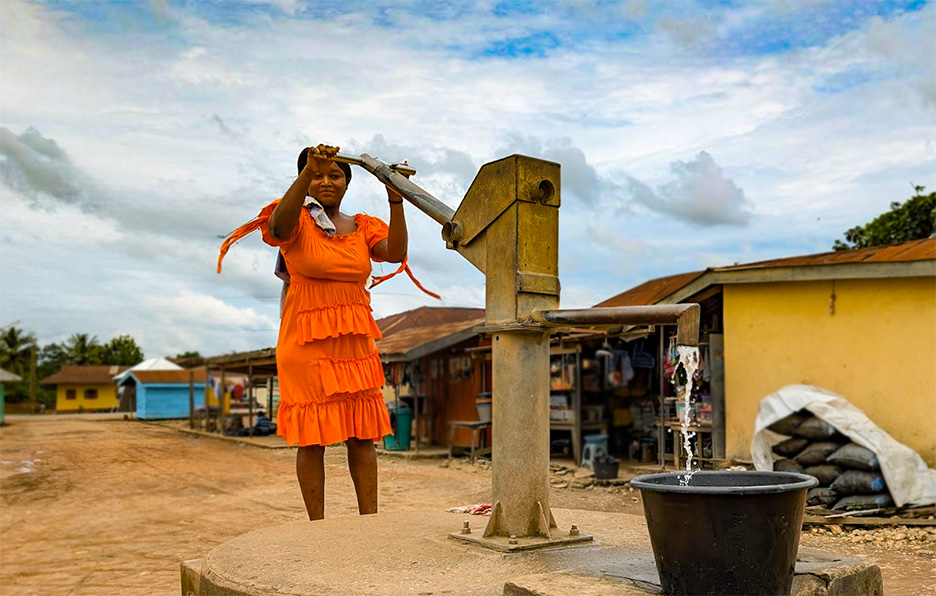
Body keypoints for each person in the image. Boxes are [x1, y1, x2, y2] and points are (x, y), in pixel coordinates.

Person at [218, 144, 408, 520]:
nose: (326, 182)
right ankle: (316, 527)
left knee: (361, 434)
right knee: (312, 439)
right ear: (304, 180)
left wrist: (396, 200)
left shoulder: (363, 227)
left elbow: (396, 252)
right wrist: (306, 173)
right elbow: (277, 229)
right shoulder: (295, 219)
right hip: (304, 340)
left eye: (334, 175)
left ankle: (369, 521)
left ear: (347, 183)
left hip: (354, 342)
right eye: (317, 175)